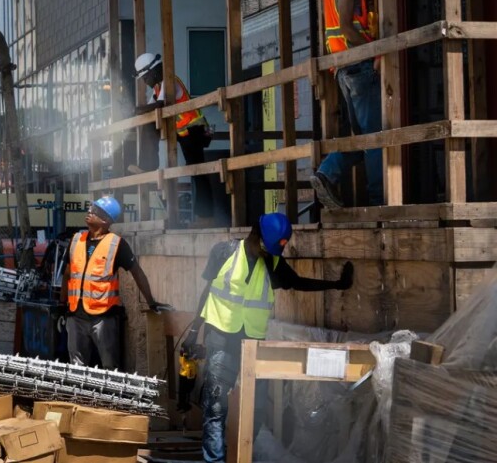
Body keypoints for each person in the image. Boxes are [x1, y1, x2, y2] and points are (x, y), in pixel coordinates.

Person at [180, 213, 354, 463]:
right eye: (266, 247)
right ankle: (214, 460)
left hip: (252, 344)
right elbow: (206, 293)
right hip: (221, 339)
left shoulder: (272, 263)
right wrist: (194, 332)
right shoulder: (224, 252)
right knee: (215, 408)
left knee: (257, 410)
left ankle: (241, 456)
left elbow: (297, 283)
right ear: (255, 235)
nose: (268, 253)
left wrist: (337, 285)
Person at [310, 0, 383, 208]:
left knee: (363, 137)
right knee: (374, 137)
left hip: (342, 68)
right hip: (358, 66)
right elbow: (347, 29)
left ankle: (328, 173)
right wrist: (374, 49)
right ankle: (378, 201)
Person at [61, 196, 171, 369]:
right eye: (91, 207)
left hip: (103, 319)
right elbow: (67, 274)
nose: (90, 211)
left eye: (96, 210)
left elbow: (138, 273)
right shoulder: (76, 240)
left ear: (106, 220)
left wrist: (151, 301)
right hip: (76, 317)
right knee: (76, 368)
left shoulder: (116, 245)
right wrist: (62, 305)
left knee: (110, 367)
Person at [132, 53, 215, 223]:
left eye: (144, 77)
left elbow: (160, 105)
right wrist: (140, 110)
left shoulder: (170, 82)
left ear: (153, 72)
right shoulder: (158, 87)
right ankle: (147, 165)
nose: (144, 82)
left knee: (198, 171)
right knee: (148, 123)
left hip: (194, 130)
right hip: (182, 132)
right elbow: (152, 107)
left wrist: (138, 110)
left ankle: (206, 217)